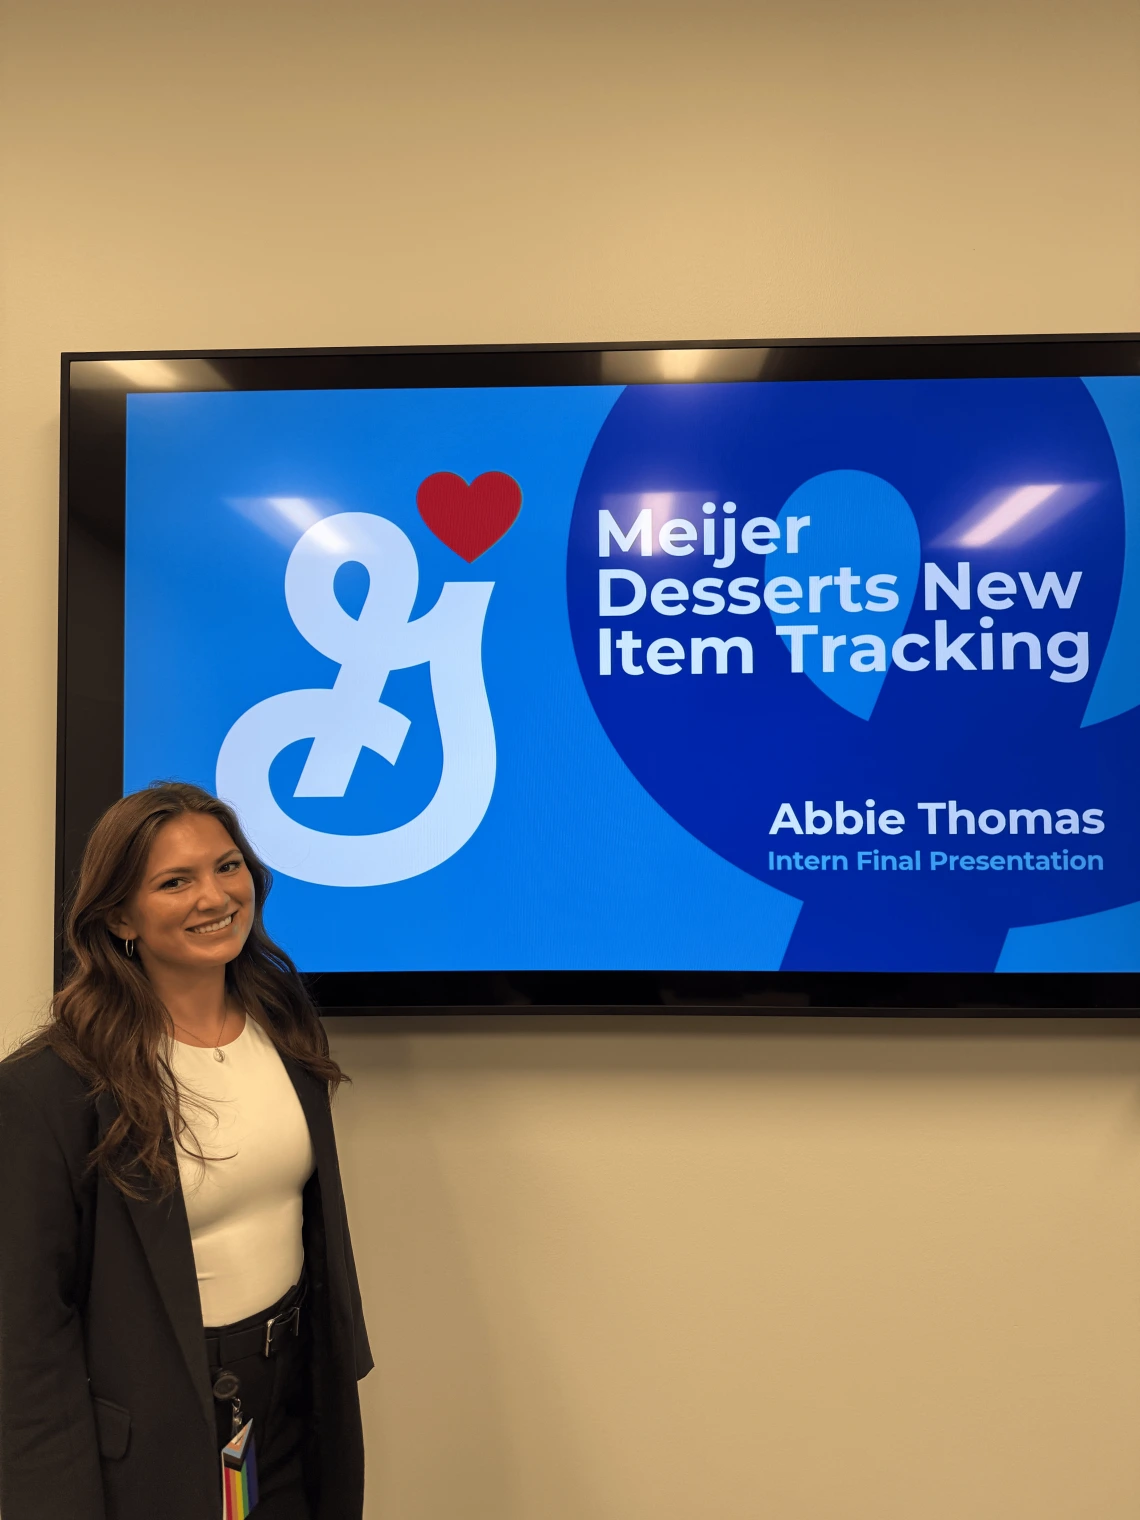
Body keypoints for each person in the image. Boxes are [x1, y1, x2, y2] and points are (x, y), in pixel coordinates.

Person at [0, 782, 372, 1520]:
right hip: (156, 1431)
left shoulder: (287, 1028)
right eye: (175, 881)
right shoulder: (49, 1089)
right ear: (118, 917)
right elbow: (26, 1339)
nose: (215, 896)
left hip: (293, 1400)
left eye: (227, 867)